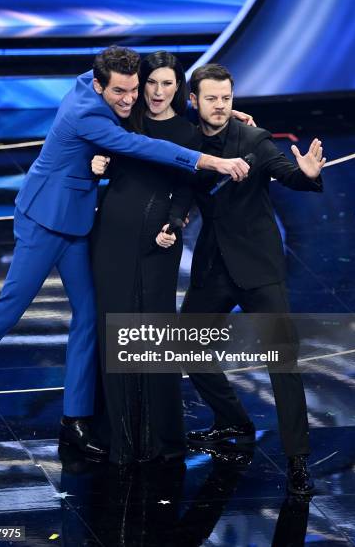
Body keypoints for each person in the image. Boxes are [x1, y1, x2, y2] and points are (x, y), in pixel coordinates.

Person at [0, 48, 250, 453]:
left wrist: (228, 117)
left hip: (76, 220)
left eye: (133, 90)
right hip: (45, 219)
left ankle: (74, 420)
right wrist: (209, 160)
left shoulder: (94, 79)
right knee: (6, 311)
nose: (129, 99)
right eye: (119, 92)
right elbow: (146, 147)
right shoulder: (86, 115)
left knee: (89, 315)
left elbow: (155, 104)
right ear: (98, 86)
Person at [90, 51, 255, 465]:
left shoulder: (188, 131)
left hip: (161, 239)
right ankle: (116, 434)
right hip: (113, 231)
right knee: (114, 327)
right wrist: (96, 164)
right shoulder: (122, 121)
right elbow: (91, 151)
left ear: (178, 88)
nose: (158, 91)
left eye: (167, 84)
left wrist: (175, 225)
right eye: (151, 83)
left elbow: (187, 188)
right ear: (140, 85)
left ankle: (158, 436)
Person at [180, 63, 325, 494]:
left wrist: (308, 175)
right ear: (194, 101)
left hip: (259, 267)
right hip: (214, 266)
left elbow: (288, 174)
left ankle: (298, 461)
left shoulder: (253, 138)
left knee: (283, 363)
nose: (220, 106)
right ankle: (235, 423)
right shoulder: (186, 142)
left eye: (226, 97)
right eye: (211, 98)